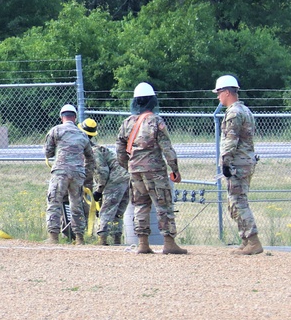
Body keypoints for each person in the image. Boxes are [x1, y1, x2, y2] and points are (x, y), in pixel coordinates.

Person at [115, 82, 187, 255]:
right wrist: (174, 169)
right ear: (152, 101)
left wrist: (129, 166)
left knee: (140, 205)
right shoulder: (156, 121)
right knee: (163, 205)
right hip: (155, 170)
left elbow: (119, 150)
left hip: (135, 171)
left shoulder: (126, 123)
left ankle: (142, 244)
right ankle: (169, 243)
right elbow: (167, 148)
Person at [214, 75, 262, 255]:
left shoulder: (234, 113)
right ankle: (245, 240)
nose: (218, 97)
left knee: (238, 202)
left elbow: (230, 141)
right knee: (235, 201)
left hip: (237, 164)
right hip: (245, 161)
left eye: (219, 93)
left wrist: (225, 162)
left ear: (227, 92)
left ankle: (253, 240)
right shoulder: (245, 110)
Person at [43, 104, 95, 245]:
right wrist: (87, 176)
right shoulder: (82, 134)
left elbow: (48, 152)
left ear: (61, 117)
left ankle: (53, 237)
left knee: (54, 202)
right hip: (78, 173)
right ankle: (79, 238)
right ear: (75, 117)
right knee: (76, 204)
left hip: (60, 171)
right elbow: (90, 158)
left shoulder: (56, 131)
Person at [79, 118, 130, 246]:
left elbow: (102, 173)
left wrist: (99, 191)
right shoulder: (99, 149)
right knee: (118, 212)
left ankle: (102, 239)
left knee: (107, 210)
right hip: (127, 178)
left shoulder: (94, 152)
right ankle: (117, 239)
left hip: (115, 180)